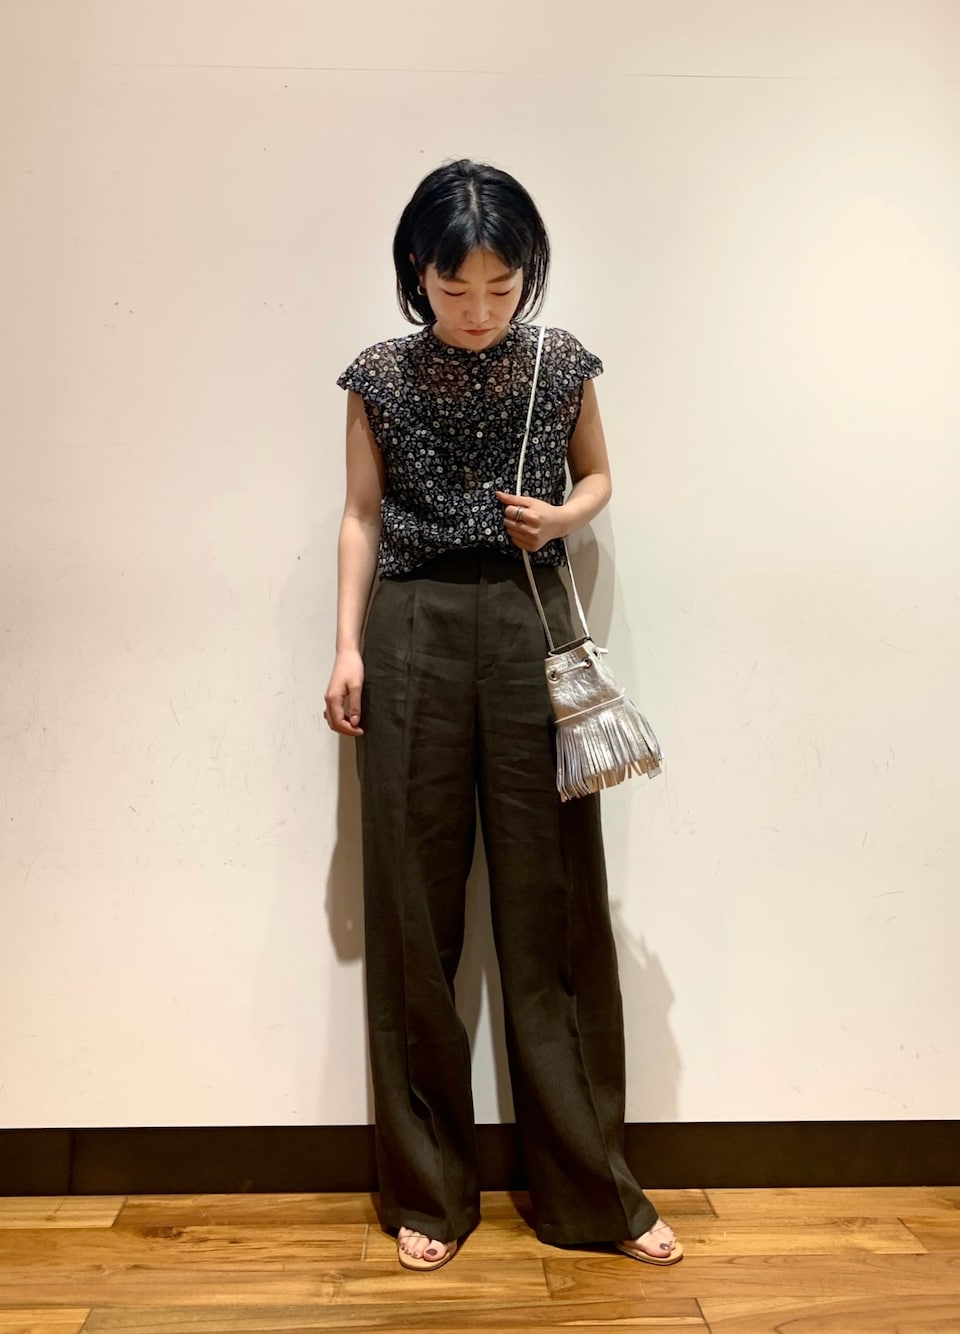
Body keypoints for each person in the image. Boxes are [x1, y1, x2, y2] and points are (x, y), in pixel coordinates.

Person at [323, 158, 682, 1272]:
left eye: (500, 286)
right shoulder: (378, 374)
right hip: (412, 627)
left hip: (531, 624)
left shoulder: (560, 362)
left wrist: (559, 516)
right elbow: (361, 513)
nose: (478, 310)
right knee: (414, 910)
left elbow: (599, 478)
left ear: (528, 274)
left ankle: (592, 1191)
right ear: (415, 271)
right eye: (454, 287)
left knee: (555, 905)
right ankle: (428, 1191)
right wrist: (345, 646)